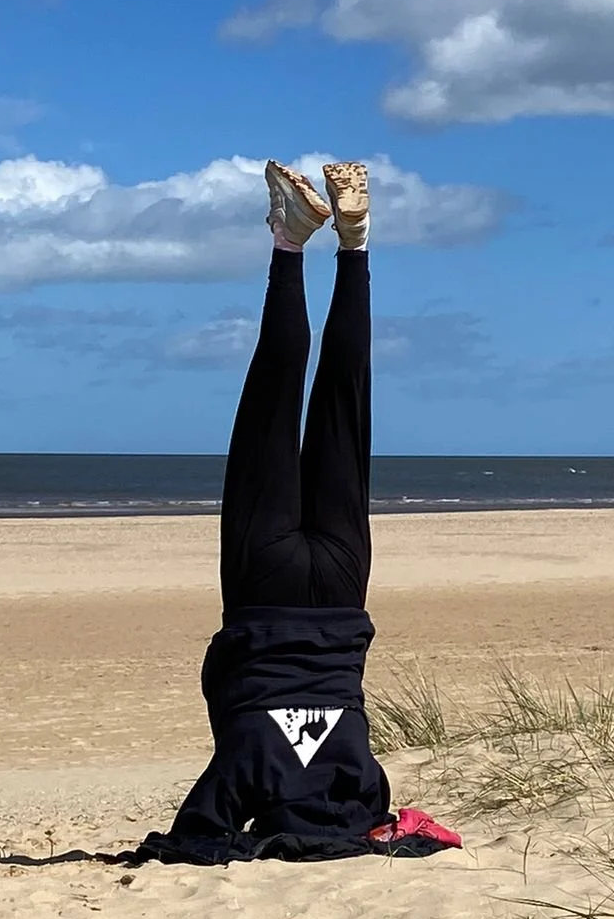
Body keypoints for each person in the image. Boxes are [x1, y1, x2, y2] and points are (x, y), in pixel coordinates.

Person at [132, 160, 459, 866]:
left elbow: (387, 822)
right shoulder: (245, 767)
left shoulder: (360, 779)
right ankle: (288, 241)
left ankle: (355, 241)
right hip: (262, 593)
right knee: (272, 402)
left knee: (347, 403)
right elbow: (194, 837)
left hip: (341, 596)